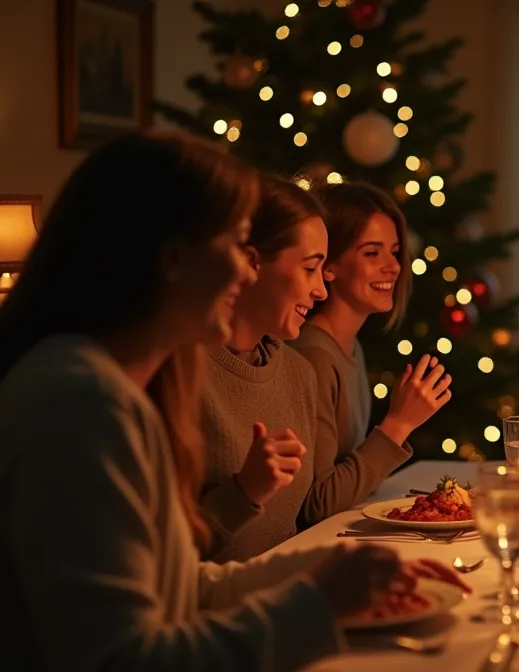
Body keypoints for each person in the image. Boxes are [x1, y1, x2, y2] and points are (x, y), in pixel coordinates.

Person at [0, 132, 428, 671]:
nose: (247, 270)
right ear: (174, 258)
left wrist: (328, 568)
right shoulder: (81, 407)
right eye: (237, 246)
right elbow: (124, 660)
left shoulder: (114, 388)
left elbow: (181, 588)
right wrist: (318, 606)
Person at [292, 182, 451, 526]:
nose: (393, 266)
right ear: (328, 265)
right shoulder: (315, 356)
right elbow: (315, 505)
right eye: (371, 253)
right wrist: (399, 424)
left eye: (394, 251)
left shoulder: (351, 347)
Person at [197, 175, 329, 561]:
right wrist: (244, 492)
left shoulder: (299, 373)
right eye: (310, 268)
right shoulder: (179, 371)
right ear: (252, 263)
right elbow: (160, 555)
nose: (321, 290)